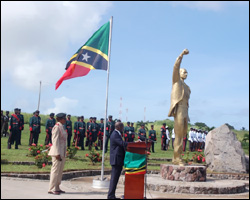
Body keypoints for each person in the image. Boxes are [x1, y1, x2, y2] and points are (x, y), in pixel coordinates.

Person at [168, 49, 191, 166]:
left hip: (185, 111)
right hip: (179, 110)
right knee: (178, 135)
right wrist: (181, 55)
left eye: (187, 72)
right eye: (184, 72)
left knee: (183, 135)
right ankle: (177, 158)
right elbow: (176, 67)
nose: (186, 74)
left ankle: (177, 156)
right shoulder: (176, 81)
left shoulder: (187, 87)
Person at [107, 122, 128, 199]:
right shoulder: (115, 134)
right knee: (114, 179)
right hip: (116, 160)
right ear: (119, 127)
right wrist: (132, 144)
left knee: (115, 179)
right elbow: (122, 143)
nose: (123, 128)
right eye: (122, 127)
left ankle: (111, 195)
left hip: (118, 159)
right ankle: (110, 196)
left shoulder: (116, 133)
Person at [48, 113, 67, 195]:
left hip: (62, 152)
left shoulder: (61, 127)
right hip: (57, 152)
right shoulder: (56, 127)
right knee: (55, 171)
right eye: (64, 118)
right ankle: (51, 188)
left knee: (59, 171)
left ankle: (57, 187)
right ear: (60, 119)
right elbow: (55, 141)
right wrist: (57, 153)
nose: (65, 120)